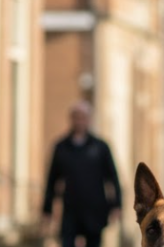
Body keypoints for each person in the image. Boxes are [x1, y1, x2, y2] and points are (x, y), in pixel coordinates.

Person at [42, 102, 122, 247]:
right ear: (71, 119)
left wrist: (116, 205)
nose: (79, 121)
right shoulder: (61, 148)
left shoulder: (100, 147)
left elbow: (112, 178)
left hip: (95, 209)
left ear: (89, 120)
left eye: (83, 117)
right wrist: (47, 209)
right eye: (76, 117)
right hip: (70, 210)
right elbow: (52, 180)